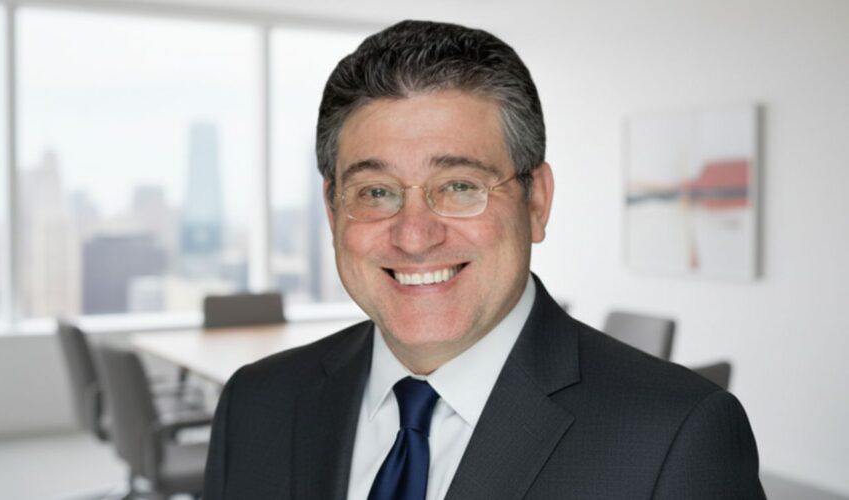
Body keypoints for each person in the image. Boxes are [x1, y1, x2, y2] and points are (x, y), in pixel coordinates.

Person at [204, 20, 765, 500]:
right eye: (375, 192)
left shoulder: (677, 436)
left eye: (459, 185)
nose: (415, 235)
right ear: (333, 212)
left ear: (536, 202)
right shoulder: (257, 404)